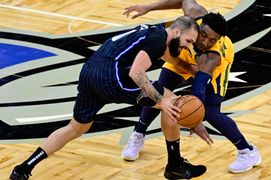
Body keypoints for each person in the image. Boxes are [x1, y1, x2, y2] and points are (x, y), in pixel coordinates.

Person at [9, 16, 204, 180]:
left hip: (89, 73)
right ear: (177, 32)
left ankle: (23, 168)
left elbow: (177, 62)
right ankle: (175, 165)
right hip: (111, 76)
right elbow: (136, 74)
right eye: (189, 41)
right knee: (174, 103)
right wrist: (162, 101)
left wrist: (201, 73)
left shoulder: (154, 34)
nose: (188, 47)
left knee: (76, 127)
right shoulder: (157, 40)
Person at [121, 0, 262, 174]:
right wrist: (148, 7)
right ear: (199, 26)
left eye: (212, 40)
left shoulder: (211, 57)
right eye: (203, 35)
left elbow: (199, 87)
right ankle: (138, 134)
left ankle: (247, 151)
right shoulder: (194, 14)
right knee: (159, 90)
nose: (205, 42)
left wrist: (196, 119)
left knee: (210, 111)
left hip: (212, 68)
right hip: (185, 55)